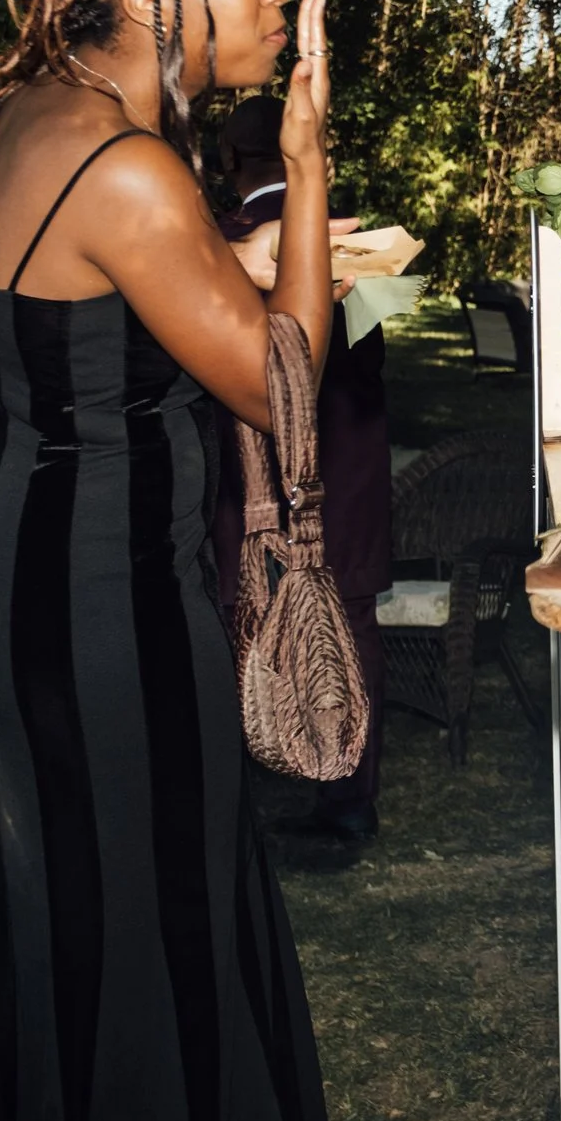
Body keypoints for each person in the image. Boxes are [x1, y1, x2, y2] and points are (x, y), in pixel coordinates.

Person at [0, 0, 337, 1121]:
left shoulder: (38, 119)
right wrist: (307, 157)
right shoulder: (123, 161)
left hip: (26, 580)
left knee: (77, 923)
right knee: (151, 930)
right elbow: (287, 382)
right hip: (94, 603)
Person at [213, 94, 392, 846]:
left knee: (238, 617)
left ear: (229, 165)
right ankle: (348, 793)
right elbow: (372, 351)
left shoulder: (214, 241)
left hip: (244, 473)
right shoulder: (353, 237)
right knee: (349, 620)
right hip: (342, 459)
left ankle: (236, 789)